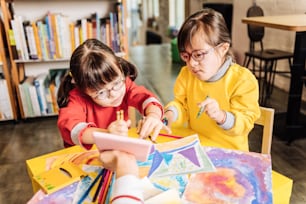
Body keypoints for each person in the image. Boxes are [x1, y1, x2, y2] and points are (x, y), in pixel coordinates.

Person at [164, 9, 260, 151]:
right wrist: (170, 114)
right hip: (197, 149)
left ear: (222, 49)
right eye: (186, 56)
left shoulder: (242, 80)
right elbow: (181, 105)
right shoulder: (187, 74)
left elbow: (245, 122)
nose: (191, 63)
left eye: (198, 55)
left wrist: (221, 116)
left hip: (230, 154)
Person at [57, 39, 169, 149]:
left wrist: (153, 116)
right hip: (83, 156)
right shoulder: (76, 98)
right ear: (83, 90)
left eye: (116, 83)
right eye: (101, 93)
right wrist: (106, 134)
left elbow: (146, 98)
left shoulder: (125, 84)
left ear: (119, 67)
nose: (113, 94)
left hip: (116, 150)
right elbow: (72, 129)